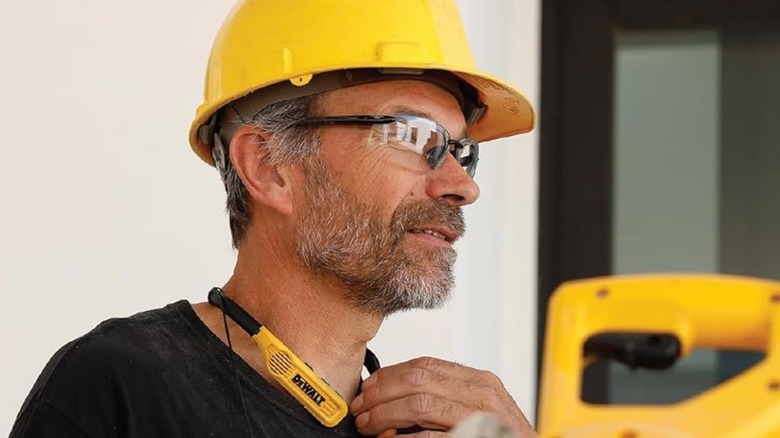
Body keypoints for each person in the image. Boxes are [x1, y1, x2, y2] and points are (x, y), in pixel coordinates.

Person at [11, 0, 536, 436]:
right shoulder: (122, 389)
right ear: (269, 166)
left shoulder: (442, 426)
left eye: (461, 152)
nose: (463, 185)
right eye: (411, 134)